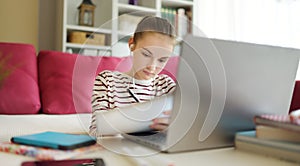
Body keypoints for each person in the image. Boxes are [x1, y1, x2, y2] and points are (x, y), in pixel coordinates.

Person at [89, 16, 177, 137]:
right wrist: (131, 120)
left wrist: (172, 127)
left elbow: (185, 128)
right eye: (146, 54)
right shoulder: (107, 81)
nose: (152, 66)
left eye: (162, 60)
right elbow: (96, 131)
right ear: (132, 44)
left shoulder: (166, 85)